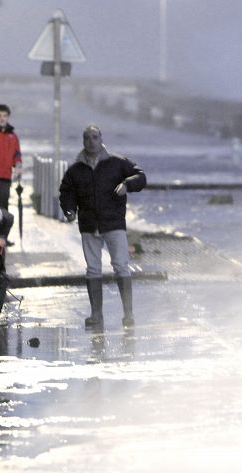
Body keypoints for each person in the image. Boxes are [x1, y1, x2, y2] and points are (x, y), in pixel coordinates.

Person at [59, 124, 147, 329]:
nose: (91, 141)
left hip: (114, 222)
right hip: (89, 224)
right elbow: (66, 192)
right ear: (83, 141)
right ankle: (96, 315)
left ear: (101, 139)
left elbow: (140, 176)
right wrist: (69, 210)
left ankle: (128, 314)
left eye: (95, 137)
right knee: (93, 269)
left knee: (121, 265)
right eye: (88, 138)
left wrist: (127, 185)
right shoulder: (75, 169)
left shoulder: (117, 163)